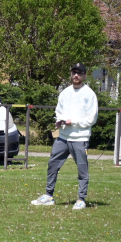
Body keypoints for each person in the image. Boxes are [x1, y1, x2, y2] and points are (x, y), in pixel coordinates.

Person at [31, 63, 98, 210]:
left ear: (85, 75)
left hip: (80, 138)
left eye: (79, 73)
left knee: (82, 169)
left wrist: (72, 121)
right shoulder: (65, 93)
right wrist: (59, 121)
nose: (76, 75)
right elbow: (59, 111)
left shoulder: (89, 94)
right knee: (52, 165)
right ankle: (49, 196)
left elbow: (91, 119)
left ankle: (81, 199)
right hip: (63, 137)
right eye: (74, 72)